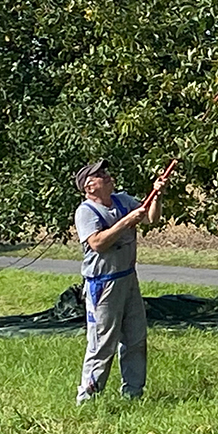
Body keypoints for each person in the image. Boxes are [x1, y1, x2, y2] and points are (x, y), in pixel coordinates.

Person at [73, 158, 168, 404]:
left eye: (106, 172)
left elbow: (150, 218)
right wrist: (126, 222)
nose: (106, 176)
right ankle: (88, 400)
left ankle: (133, 395)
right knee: (102, 343)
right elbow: (97, 243)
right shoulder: (86, 212)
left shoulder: (122, 200)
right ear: (89, 187)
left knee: (136, 339)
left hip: (128, 279)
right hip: (102, 284)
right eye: (99, 175)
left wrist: (156, 195)